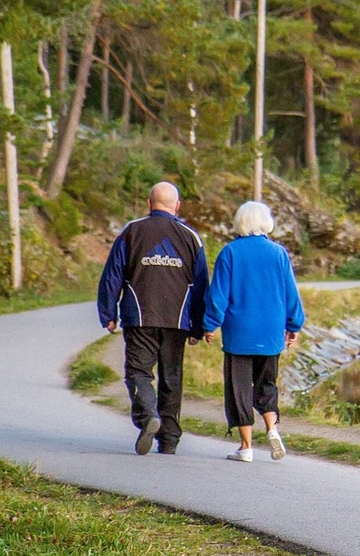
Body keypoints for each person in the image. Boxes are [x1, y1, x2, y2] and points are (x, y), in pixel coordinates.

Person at [96, 181, 209, 456]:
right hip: (177, 319)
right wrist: (198, 324)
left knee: (138, 373)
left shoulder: (132, 231)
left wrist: (108, 313)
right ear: (177, 206)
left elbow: (112, 275)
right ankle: (169, 439)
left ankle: (148, 417)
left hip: (139, 317)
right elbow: (201, 284)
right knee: (172, 377)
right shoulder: (190, 237)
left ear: (149, 203)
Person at [202, 200, 305, 462]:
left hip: (239, 333)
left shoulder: (230, 253)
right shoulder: (278, 253)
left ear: (240, 222)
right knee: (266, 384)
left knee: (239, 389)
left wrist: (210, 324)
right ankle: (272, 429)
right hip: (271, 333)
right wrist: (294, 325)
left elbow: (218, 296)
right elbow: (290, 293)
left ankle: (246, 447)